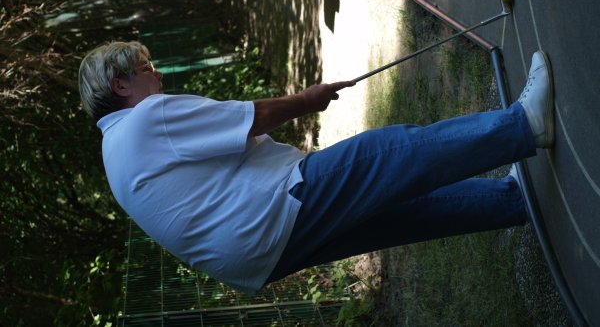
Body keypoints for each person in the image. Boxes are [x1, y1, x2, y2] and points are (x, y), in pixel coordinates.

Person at [78, 41, 554, 294]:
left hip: (252, 258)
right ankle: (525, 125)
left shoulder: (115, 155)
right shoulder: (145, 120)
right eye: (146, 69)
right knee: (392, 153)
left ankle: (510, 201)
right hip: (268, 213)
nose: (159, 75)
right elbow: (249, 119)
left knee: (394, 216)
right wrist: (309, 99)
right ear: (121, 85)